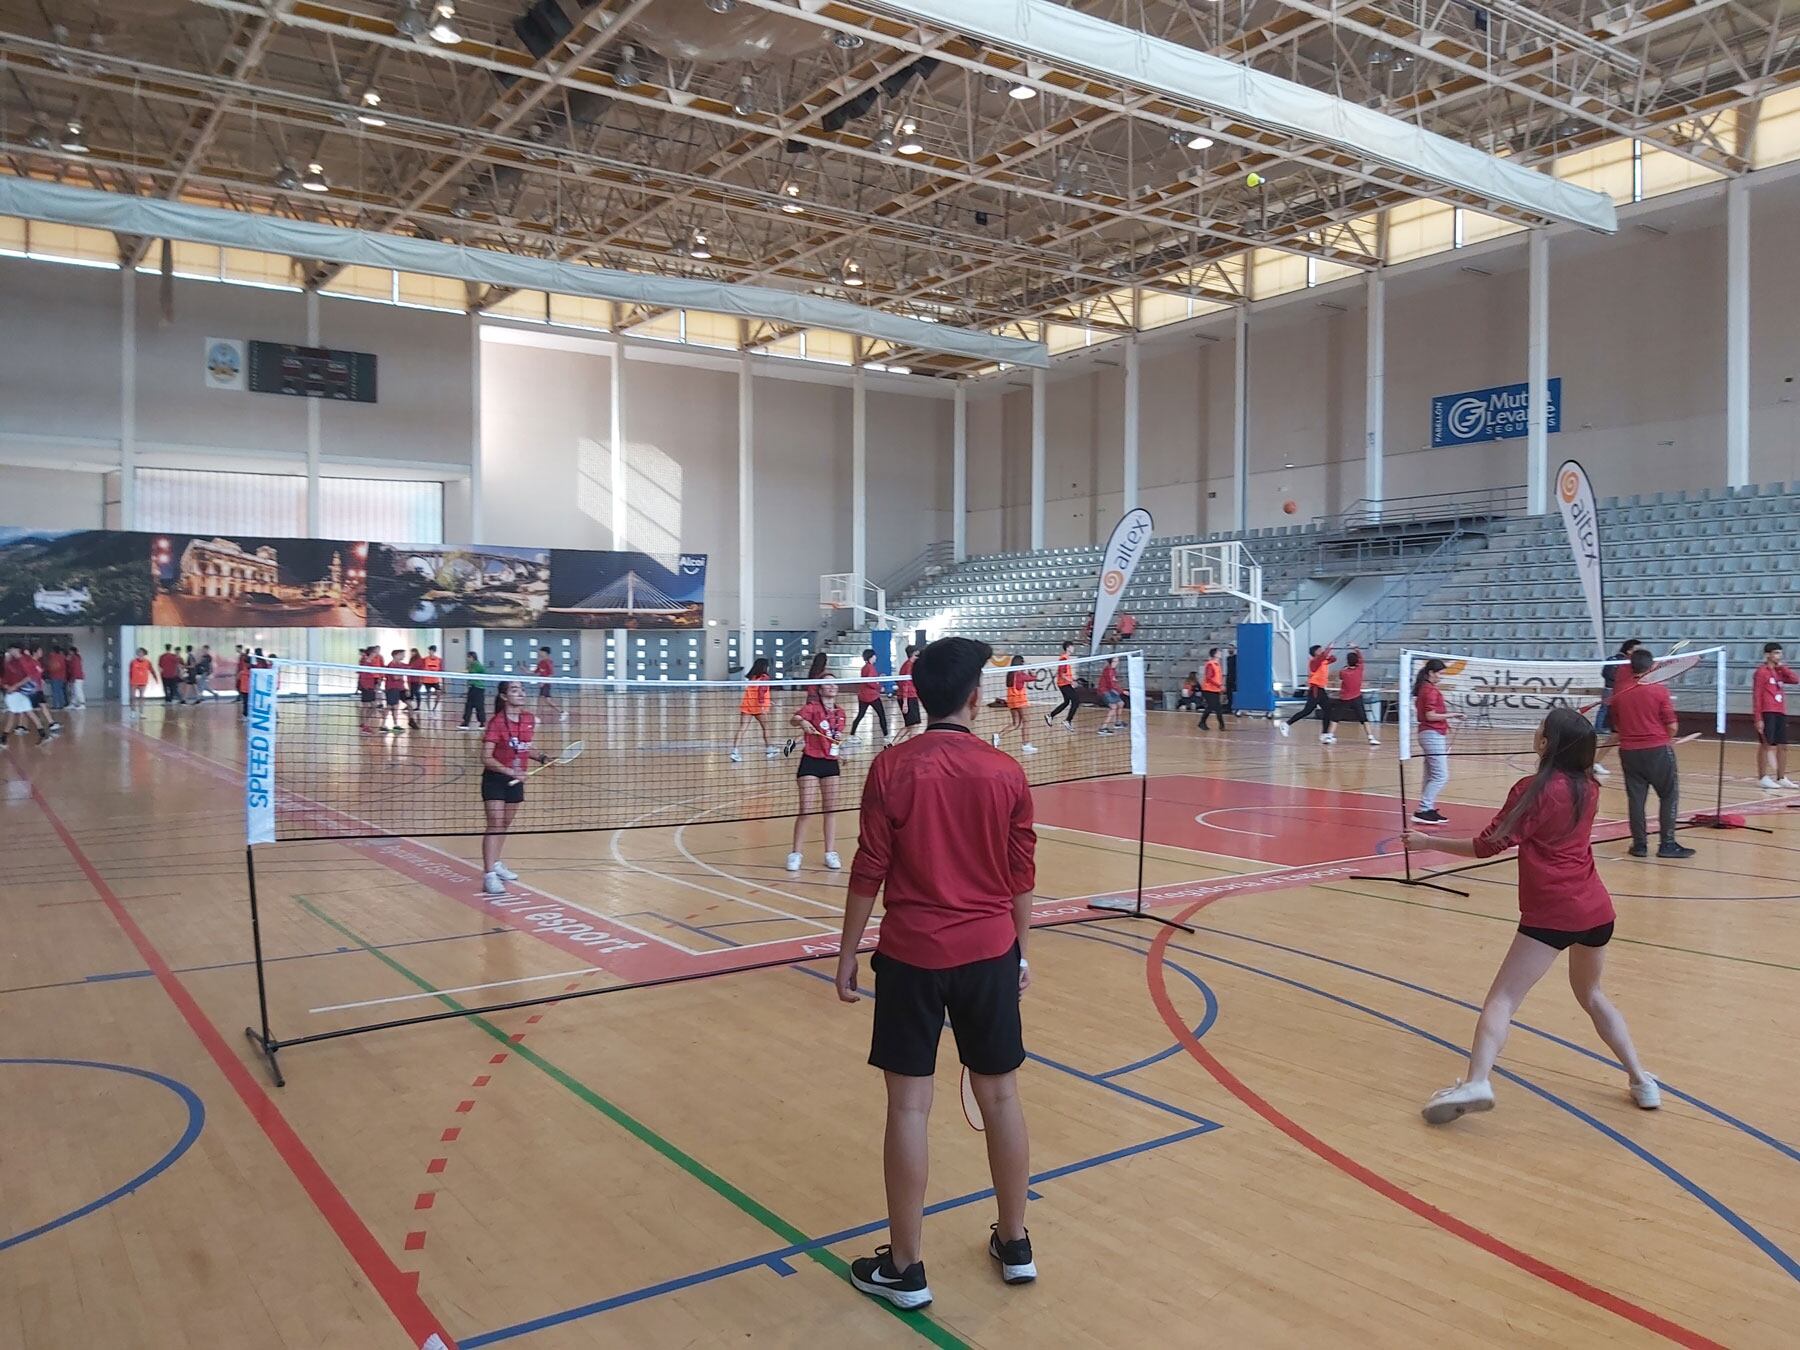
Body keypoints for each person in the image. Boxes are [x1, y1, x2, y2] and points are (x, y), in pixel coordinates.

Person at [836, 636, 1038, 1310]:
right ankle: (1015, 1244)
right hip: (989, 953)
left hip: (912, 957)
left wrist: (844, 954)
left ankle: (906, 1267)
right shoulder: (1005, 772)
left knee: (909, 1106)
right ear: (975, 696)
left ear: (917, 694)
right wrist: (1021, 951)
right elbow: (1020, 875)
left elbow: (870, 867)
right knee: (1002, 1098)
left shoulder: (892, 768)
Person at [1404, 708, 1661, 1124]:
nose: (1535, 731)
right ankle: (1641, 1080)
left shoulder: (1533, 789)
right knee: (1592, 994)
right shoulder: (1590, 787)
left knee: (1502, 999)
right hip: (1596, 910)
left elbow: (1487, 846)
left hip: (1551, 914)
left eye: (1541, 729)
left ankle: (1477, 1081)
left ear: (1547, 743)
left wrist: (1425, 840)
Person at [1610, 648, 1695, 860]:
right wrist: (1665, 738)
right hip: (1657, 750)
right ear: (1652, 667)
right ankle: (1667, 844)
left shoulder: (1619, 695)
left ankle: (1639, 845)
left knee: (1636, 800)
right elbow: (1672, 726)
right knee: (1668, 795)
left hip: (1629, 752)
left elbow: (1618, 728)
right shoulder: (1659, 691)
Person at [480, 681, 549, 897]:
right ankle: (489, 874)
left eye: (522, 689)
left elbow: (524, 747)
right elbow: (486, 757)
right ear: (503, 696)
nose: (520, 693)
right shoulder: (496, 722)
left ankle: (497, 863)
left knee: (505, 824)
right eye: (514, 689)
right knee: (495, 823)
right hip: (495, 779)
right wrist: (511, 773)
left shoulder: (528, 719)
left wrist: (543, 757)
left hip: (516, 779)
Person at [787, 677, 846, 872]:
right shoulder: (812, 707)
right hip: (811, 762)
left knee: (830, 810)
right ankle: (795, 854)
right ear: (820, 690)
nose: (832, 686)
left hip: (831, 764)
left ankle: (830, 852)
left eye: (834, 683)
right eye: (827, 684)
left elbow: (835, 738)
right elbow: (793, 719)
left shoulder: (841, 713)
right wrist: (803, 723)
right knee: (806, 810)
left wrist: (840, 752)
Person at [1411, 658, 1451, 825]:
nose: (1441, 677)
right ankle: (1423, 808)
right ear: (1431, 673)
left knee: (1430, 774)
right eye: (1440, 673)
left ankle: (1426, 809)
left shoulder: (1425, 688)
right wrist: (1453, 715)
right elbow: (1430, 715)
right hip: (1431, 734)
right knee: (1441, 775)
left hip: (1429, 733)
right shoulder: (1430, 690)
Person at [1753, 641, 1798, 790]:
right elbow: (1757, 695)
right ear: (1768, 655)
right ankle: (1762, 777)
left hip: (1780, 711)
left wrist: (1782, 667)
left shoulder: (1779, 672)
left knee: (1783, 745)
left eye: (1780, 653)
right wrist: (1758, 718)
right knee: (1766, 744)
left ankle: (1781, 777)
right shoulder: (1761, 672)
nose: (1779, 655)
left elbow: (1795, 679)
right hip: (1767, 711)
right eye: (1776, 653)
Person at [1320, 650, 1379, 746]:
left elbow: (1341, 678)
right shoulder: (1360, 669)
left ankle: (1329, 736)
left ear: (1347, 661)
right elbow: (1361, 659)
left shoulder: (1343, 672)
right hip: (1357, 697)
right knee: (1364, 719)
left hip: (1345, 698)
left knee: (1335, 718)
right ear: (1356, 661)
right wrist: (1356, 648)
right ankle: (1371, 737)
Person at [1277, 644, 1333, 736]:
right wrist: (1329, 648)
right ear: (1315, 653)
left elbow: (1333, 659)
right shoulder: (1314, 662)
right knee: (1307, 710)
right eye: (1320, 650)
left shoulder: (1323, 661)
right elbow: (1323, 656)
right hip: (1315, 689)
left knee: (1328, 710)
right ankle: (1286, 724)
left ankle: (1325, 734)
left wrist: (1329, 655)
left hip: (1321, 689)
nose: (1322, 651)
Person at [729, 657, 778, 762]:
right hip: (758, 707)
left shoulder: (753, 677)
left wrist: (769, 701)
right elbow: (761, 692)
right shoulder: (765, 677)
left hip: (747, 705)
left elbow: (756, 691)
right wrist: (763, 705)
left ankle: (735, 751)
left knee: (742, 728)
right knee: (766, 728)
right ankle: (769, 750)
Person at [994, 653, 1037, 756]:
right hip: (1020, 701)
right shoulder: (1020, 675)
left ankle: (998, 736)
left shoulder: (1010, 674)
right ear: (1020, 663)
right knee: (1026, 722)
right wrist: (1031, 670)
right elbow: (1033, 678)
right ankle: (1026, 744)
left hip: (1011, 701)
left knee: (1015, 724)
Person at [848, 648, 891, 747]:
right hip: (871, 696)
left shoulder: (864, 667)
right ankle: (886, 736)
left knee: (860, 715)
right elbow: (870, 681)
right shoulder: (870, 668)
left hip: (862, 695)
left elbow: (871, 679)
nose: (876, 657)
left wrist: (878, 679)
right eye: (874, 655)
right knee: (881, 715)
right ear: (871, 657)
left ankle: (851, 734)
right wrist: (879, 687)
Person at [1045, 641, 1079, 728]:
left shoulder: (1066, 658)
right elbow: (1062, 674)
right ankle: (1068, 720)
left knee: (1066, 702)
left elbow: (1065, 673)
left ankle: (1050, 715)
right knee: (1076, 700)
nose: (1073, 648)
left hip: (1065, 683)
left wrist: (1072, 679)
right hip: (1064, 684)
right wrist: (1072, 681)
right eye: (1072, 646)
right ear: (1068, 648)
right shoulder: (1063, 659)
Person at [893, 645, 923, 743]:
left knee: (911, 725)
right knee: (913, 725)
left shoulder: (908, 665)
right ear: (913, 654)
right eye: (916, 655)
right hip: (908, 698)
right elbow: (905, 684)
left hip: (911, 697)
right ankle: (911, 745)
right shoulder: (908, 666)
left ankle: (892, 744)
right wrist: (905, 702)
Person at [1198, 649, 1227, 731]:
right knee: (1213, 707)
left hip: (1214, 689)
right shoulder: (1210, 664)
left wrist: (1220, 685)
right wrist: (1219, 685)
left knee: (1215, 707)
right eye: (1218, 652)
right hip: (1208, 689)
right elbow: (1209, 677)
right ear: (1214, 654)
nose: (1220, 653)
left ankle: (1204, 723)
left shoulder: (1217, 664)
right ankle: (1221, 725)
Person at [534, 646, 564, 722]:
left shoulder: (548, 662)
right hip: (542, 684)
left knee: (540, 700)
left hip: (546, 684)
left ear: (545, 653)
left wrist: (544, 682)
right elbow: (534, 672)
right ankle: (562, 712)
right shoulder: (541, 663)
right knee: (547, 701)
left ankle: (537, 717)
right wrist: (524, 670)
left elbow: (551, 674)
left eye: (541, 651)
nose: (539, 653)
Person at [384, 648, 411, 733]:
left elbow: (411, 668)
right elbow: (395, 677)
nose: (403, 656)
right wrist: (403, 673)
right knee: (390, 707)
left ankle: (396, 725)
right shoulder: (391, 665)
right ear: (396, 655)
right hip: (392, 688)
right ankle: (383, 725)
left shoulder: (402, 664)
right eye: (402, 654)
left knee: (406, 704)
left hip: (401, 688)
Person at [459, 651, 488, 731]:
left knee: (479, 706)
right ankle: (466, 722)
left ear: (472, 657)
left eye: (468, 657)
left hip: (478, 688)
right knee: (469, 705)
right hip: (472, 687)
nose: (467, 659)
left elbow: (470, 672)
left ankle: (482, 723)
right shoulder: (471, 665)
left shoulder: (477, 664)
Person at [1095, 655, 1123, 736]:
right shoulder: (1108, 670)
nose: (1117, 663)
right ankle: (1103, 728)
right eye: (1115, 661)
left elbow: (1114, 683)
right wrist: (1122, 691)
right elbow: (1111, 684)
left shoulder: (1113, 670)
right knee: (1113, 707)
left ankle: (1118, 723)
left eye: (1118, 661)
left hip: (1110, 690)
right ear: (1111, 662)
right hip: (1104, 691)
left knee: (1121, 703)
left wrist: (1120, 689)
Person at [127, 647, 152, 720]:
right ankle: (133, 712)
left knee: (142, 697)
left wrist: (155, 677)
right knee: (133, 697)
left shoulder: (147, 662)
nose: (139, 653)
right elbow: (130, 672)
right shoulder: (133, 662)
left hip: (143, 681)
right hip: (134, 681)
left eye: (141, 652)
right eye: (138, 652)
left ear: (144, 653)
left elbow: (151, 670)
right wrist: (130, 680)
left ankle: (141, 713)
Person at [44, 644, 68, 711]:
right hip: (62, 676)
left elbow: (50, 666)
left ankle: (56, 705)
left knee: (55, 691)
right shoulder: (62, 657)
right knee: (60, 691)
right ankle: (61, 705)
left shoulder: (52, 657)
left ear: (53, 650)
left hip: (54, 676)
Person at [422, 646, 443, 710]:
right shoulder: (425, 659)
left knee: (438, 694)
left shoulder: (439, 660)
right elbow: (422, 668)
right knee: (428, 695)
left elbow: (441, 669)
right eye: (429, 651)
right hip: (427, 680)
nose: (430, 652)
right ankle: (429, 709)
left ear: (434, 651)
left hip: (435, 680)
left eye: (431, 650)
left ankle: (434, 708)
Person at [67, 644, 86, 710]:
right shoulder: (74, 658)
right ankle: (73, 703)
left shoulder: (75, 658)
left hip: (77, 677)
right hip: (74, 677)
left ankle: (82, 704)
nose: (69, 653)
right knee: (74, 691)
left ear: (72, 652)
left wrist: (73, 678)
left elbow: (75, 669)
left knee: (78, 691)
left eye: (70, 651)